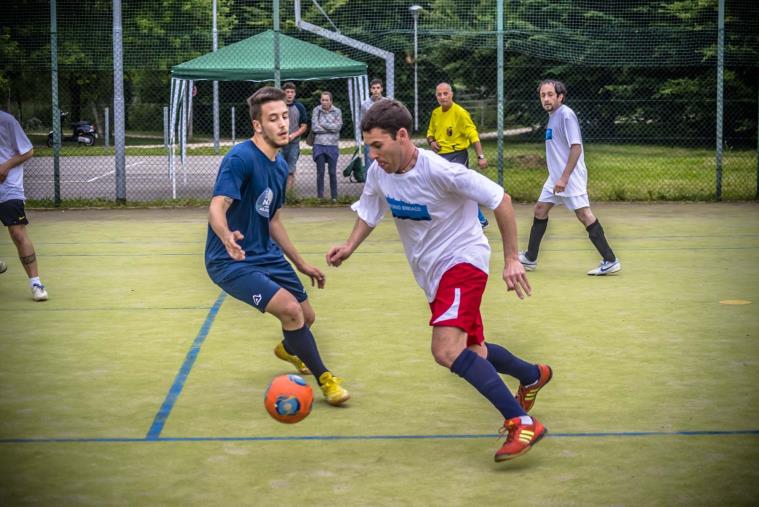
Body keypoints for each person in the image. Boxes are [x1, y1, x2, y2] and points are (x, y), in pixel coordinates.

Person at [326, 99, 551, 462]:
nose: (372, 155)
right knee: (473, 352)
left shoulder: (441, 171)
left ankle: (522, 422)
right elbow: (370, 212)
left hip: (463, 262)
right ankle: (532, 375)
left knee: (445, 349)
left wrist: (512, 259)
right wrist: (350, 246)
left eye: (378, 146)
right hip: (432, 275)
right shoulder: (379, 174)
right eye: (369, 146)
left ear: (402, 136)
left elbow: (502, 200)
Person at [205, 87, 349, 406]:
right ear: (258, 125)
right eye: (273, 119)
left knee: (306, 317)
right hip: (230, 261)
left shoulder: (281, 166)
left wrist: (301, 263)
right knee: (290, 310)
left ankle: (288, 349)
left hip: (266, 255)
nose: (283, 124)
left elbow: (273, 221)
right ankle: (326, 379)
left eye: (285, 116)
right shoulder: (240, 158)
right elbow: (218, 206)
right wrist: (227, 235)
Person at [518, 79, 621, 276]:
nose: (546, 98)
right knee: (540, 209)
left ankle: (610, 260)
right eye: (543, 95)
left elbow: (576, 147)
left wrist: (564, 178)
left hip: (569, 177)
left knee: (584, 215)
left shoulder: (566, 115)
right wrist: (557, 178)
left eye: (550, 94)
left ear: (560, 97)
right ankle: (530, 258)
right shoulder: (553, 116)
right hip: (555, 178)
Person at [426, 82, 490, 228]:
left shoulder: (460, 113)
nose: (442, 97)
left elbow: (473, 135)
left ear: (451, 94)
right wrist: (431, 142)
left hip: (458, 155)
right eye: (439, 94)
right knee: (439, 188)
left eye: (445, 93)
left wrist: (481, 157)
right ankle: (446, 220)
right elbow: (430, 132)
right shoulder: (436, 113)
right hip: (441, 157)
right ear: (436, 96)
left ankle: (479, 219)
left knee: (460, 187)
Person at [0, 110, 48, 302]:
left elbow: (28, 150)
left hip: (9, 188)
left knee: (18, 233)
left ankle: (36, 284)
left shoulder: (6, 121)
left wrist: (5, 166)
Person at [311, 91, 343, 202]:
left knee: (332, 172)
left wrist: (323, 125)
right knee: (320, 172)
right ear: (320, 100)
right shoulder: (316, 110)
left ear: (331, 101)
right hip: (319, 144)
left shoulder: (337, 111)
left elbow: (337, 127)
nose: (324, 102)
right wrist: (330, 127)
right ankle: (320, 196)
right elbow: (315, 128)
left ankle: (334, 196)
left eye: (326, 100)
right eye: (322, 100)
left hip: (332, 145)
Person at [281, 82, 309, 196]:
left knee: (291, 169)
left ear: (295, 94)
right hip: (279, 144)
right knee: (279, 168)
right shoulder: (278, 106)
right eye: (287, 92)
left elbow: (304, 126)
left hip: (294, 143)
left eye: (292, 92)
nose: (289, 94)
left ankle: (289, 195)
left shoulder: (299, 107)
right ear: (283, 93)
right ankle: (279, 195)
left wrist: (293, 135)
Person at [360, 79, 386, 164]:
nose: (376, 90)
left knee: (384, 161)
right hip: (370, 137)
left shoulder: (387, 103)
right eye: (373, 88)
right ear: (370, 90)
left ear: (382, 89)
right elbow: (363, 123)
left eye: (378, 88)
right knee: (369, 162)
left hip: (384, 136)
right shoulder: (365, 104)